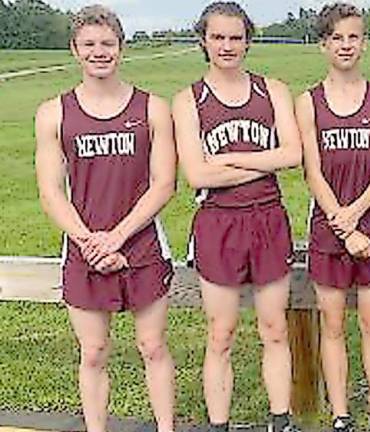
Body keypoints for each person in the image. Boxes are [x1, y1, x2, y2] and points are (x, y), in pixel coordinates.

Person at [35, 5, 176, 432]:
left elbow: (164, 183)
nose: (100, 52)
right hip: (83, 248)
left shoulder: (153, 108)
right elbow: (50, 192)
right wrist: (90, 241)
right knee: (94, 351)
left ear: (121, 48)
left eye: (108, 44)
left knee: (152, 346)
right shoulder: (53, 114)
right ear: (75, 50)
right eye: (90, 45)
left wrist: (117, 237)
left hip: (142, 243)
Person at [172, 2, 303, 431]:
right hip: (218, 222)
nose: (227, 46)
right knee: (221, 333)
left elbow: (293, 154)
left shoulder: (273, 91)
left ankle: (280, 421)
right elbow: (195, 172)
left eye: (235, 37)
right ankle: (219, 424)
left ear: (248, 39)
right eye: (218, 37)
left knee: (274, 329)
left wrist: (228, 159)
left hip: (267, 217)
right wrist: (260, 162)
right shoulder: (189, 100)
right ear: (203, 40)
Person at [295, 3, 370, 432]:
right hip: (327, 226)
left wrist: (355, 217)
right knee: (333, 326)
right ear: (323, 44)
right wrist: (341, 223)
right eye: (336, 37)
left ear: (364, 42)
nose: (345, 45)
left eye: (353, 36)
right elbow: (312, 171)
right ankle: (340, 415)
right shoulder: (308, 102)